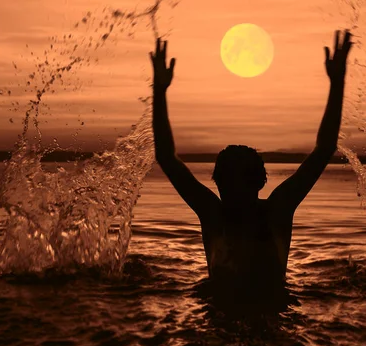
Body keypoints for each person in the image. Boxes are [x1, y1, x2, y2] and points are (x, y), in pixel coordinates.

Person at [150, 30, 352, 300]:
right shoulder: (226, 213)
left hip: (233, 312)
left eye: (236, 180)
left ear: (257, 182)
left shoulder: (265, 212)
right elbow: (165, 157)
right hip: (267, 312)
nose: (232, 189)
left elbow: (324, 149)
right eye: (228, 181)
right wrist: (159, 91)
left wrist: (338, 83)